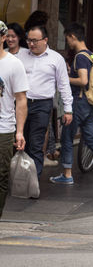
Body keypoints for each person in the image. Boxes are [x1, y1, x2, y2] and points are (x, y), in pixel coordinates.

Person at [49, 23, 93, 185]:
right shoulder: (91, 55)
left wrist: (64, 79)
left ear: (73, 37)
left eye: (67, 38)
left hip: (79, 103)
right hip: (89, 103)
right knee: (90, 137)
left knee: (67, 137)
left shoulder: (80, 57)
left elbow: (83, 80)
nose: (67, 42)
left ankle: (67, 175)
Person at [17, 26, 73, 177]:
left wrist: (68, 110)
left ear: (45, 40)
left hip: (42, 105)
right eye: (29, 40)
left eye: (35, 40)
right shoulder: (21, 56)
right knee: (20, 141)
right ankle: (19, 177)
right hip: (21, 104)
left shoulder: (56, 59)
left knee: (36, 143)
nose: (31, 44)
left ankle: (33, 180)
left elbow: (63, 85)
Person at [0, 21, 29, 218]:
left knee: (1, 176)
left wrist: (19, 131)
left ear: (3, 38)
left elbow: (21, 100)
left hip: (4, 128)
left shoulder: (13, 64)